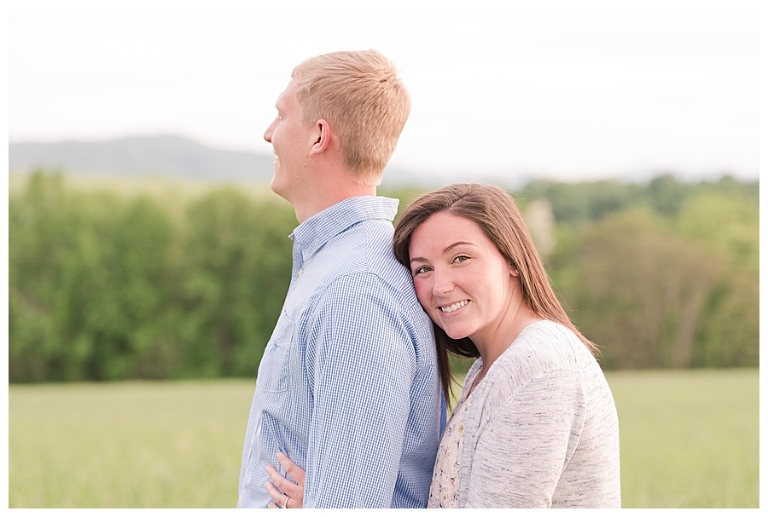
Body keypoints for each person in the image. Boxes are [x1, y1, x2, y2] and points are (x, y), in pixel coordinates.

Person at [267, 183, 621, 508]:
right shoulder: (492, 368)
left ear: (512, 259)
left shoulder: (536, 368)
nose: (440, 286)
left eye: (461, 258)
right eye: (423, 269)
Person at [236, 50, 444, 509]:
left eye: (281, 115)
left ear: (318, 136)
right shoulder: (336, 268)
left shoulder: (355, 292)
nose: (268, 133)